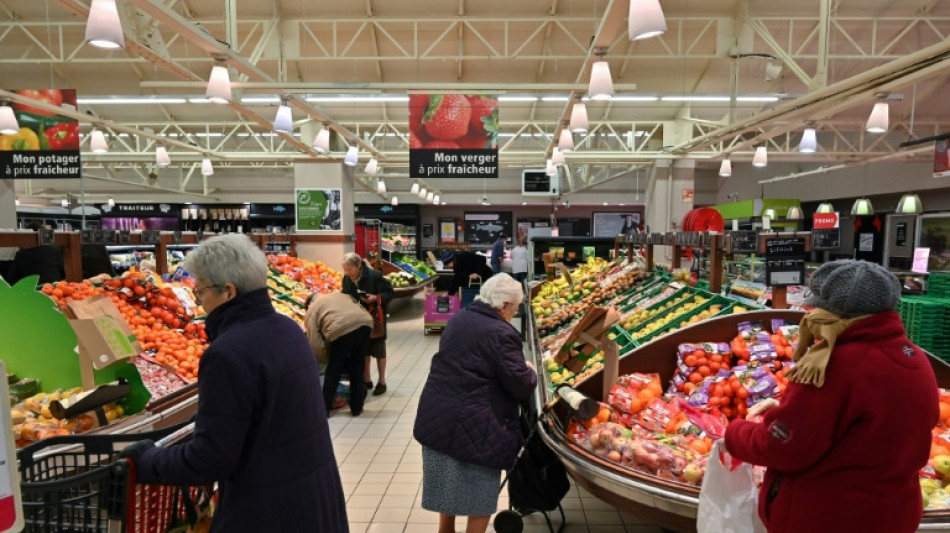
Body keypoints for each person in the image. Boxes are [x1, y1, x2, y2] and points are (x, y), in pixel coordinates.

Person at [119, 234, 348, 533]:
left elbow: (210, 460)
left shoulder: (227, 354)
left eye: (200, 291)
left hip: (267, 512)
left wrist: (148, 460)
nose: (198, 301)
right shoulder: (289, 329)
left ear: (227, 291)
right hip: (317, 502)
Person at [724, 260, 938, 533]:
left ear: (835, 313)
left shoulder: (834, 365)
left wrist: (735, 433)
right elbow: (868, 428)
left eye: (818, 307)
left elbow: (785, 447)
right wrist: (788, 409)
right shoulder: (914, 356)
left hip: (829, 517)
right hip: (895, 515)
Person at [413, 274, 538, 533]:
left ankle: (445, 530)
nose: (514, 312)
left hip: (438, 414)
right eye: (514, 307)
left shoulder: (459, 318)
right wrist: (530, 370)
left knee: (446, 488)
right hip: (479, 424)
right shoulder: (503, 333)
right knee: (479, 498)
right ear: (504, 305)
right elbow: (520, 384)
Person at [305, 291, 373, 416]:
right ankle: (357, 407)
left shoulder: (313, 308)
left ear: (309, 304)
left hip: (341, 329)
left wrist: (325, 358)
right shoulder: (340, 295)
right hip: (365, 323)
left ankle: (324, 410)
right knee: (357, 366)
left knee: (333, 370)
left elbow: (314, 341)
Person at [341, 252, 395, 396]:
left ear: (359, 265)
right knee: (363, 351)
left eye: (350, 269)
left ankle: (382, 382)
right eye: (345, 270)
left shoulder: (375, 276)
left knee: (379, 351)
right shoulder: (346, 279)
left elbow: (390, 293)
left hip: (376, 319)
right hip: (358, 320)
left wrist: (376, 297)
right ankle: (367, 380)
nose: (348, 273)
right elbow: (345, 295)